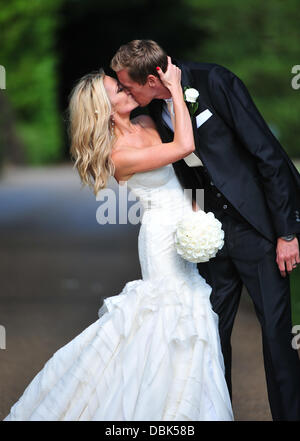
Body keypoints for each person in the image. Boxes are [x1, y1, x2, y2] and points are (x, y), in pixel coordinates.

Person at [3, 58, 233, 421]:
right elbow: (184, 146)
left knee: (192, 314)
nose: (126, 89)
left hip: (186, 227)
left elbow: (181, 173)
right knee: (167, 315)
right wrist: (174, 86)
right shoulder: (119, 155)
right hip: (160, 240)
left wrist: (196, 214)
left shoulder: (145, 120)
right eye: (118, 89)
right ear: (104, 109)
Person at [111, 39, 300, 421]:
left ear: (151, 79)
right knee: (211, 338)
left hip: (259, 231)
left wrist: (287, 233)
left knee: (278, 339)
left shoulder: (215, 81)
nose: (125, 92)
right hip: (210, 236)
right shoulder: (149, 115)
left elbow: (268, 153)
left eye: (128, 86)